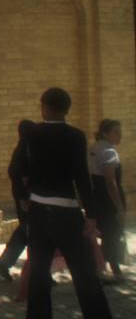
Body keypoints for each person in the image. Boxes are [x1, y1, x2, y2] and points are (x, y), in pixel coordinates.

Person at [18, 87, 112, 319]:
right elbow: (82, 176)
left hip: (38, 210)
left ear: (45, 107)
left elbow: (18, 168)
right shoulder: (76, 136)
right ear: (66, 110)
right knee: (84, 273)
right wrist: (91, 213)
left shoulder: (32, 134)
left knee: (39, 274)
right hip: (66, 212)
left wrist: (23, 196)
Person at [0, 119, 37, 282]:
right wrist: (24, 197)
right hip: (28, 199)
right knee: (30, 232)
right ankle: (33, 270)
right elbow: (18, 175)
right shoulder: (25, 151)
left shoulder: (23, 149)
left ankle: (8, 262)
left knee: (28, 232)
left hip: (25, 198)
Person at [89, 119, 126, 282]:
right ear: (105, 133)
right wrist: (119, 207)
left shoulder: (93, 148)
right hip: (108, 198)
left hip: (96, 196)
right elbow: (111, 182)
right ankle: (110, 269)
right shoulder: (109, 151)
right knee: (113, 233)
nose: (119, 135)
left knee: (104, 232)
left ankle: (102, 269)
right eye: (115, 132)